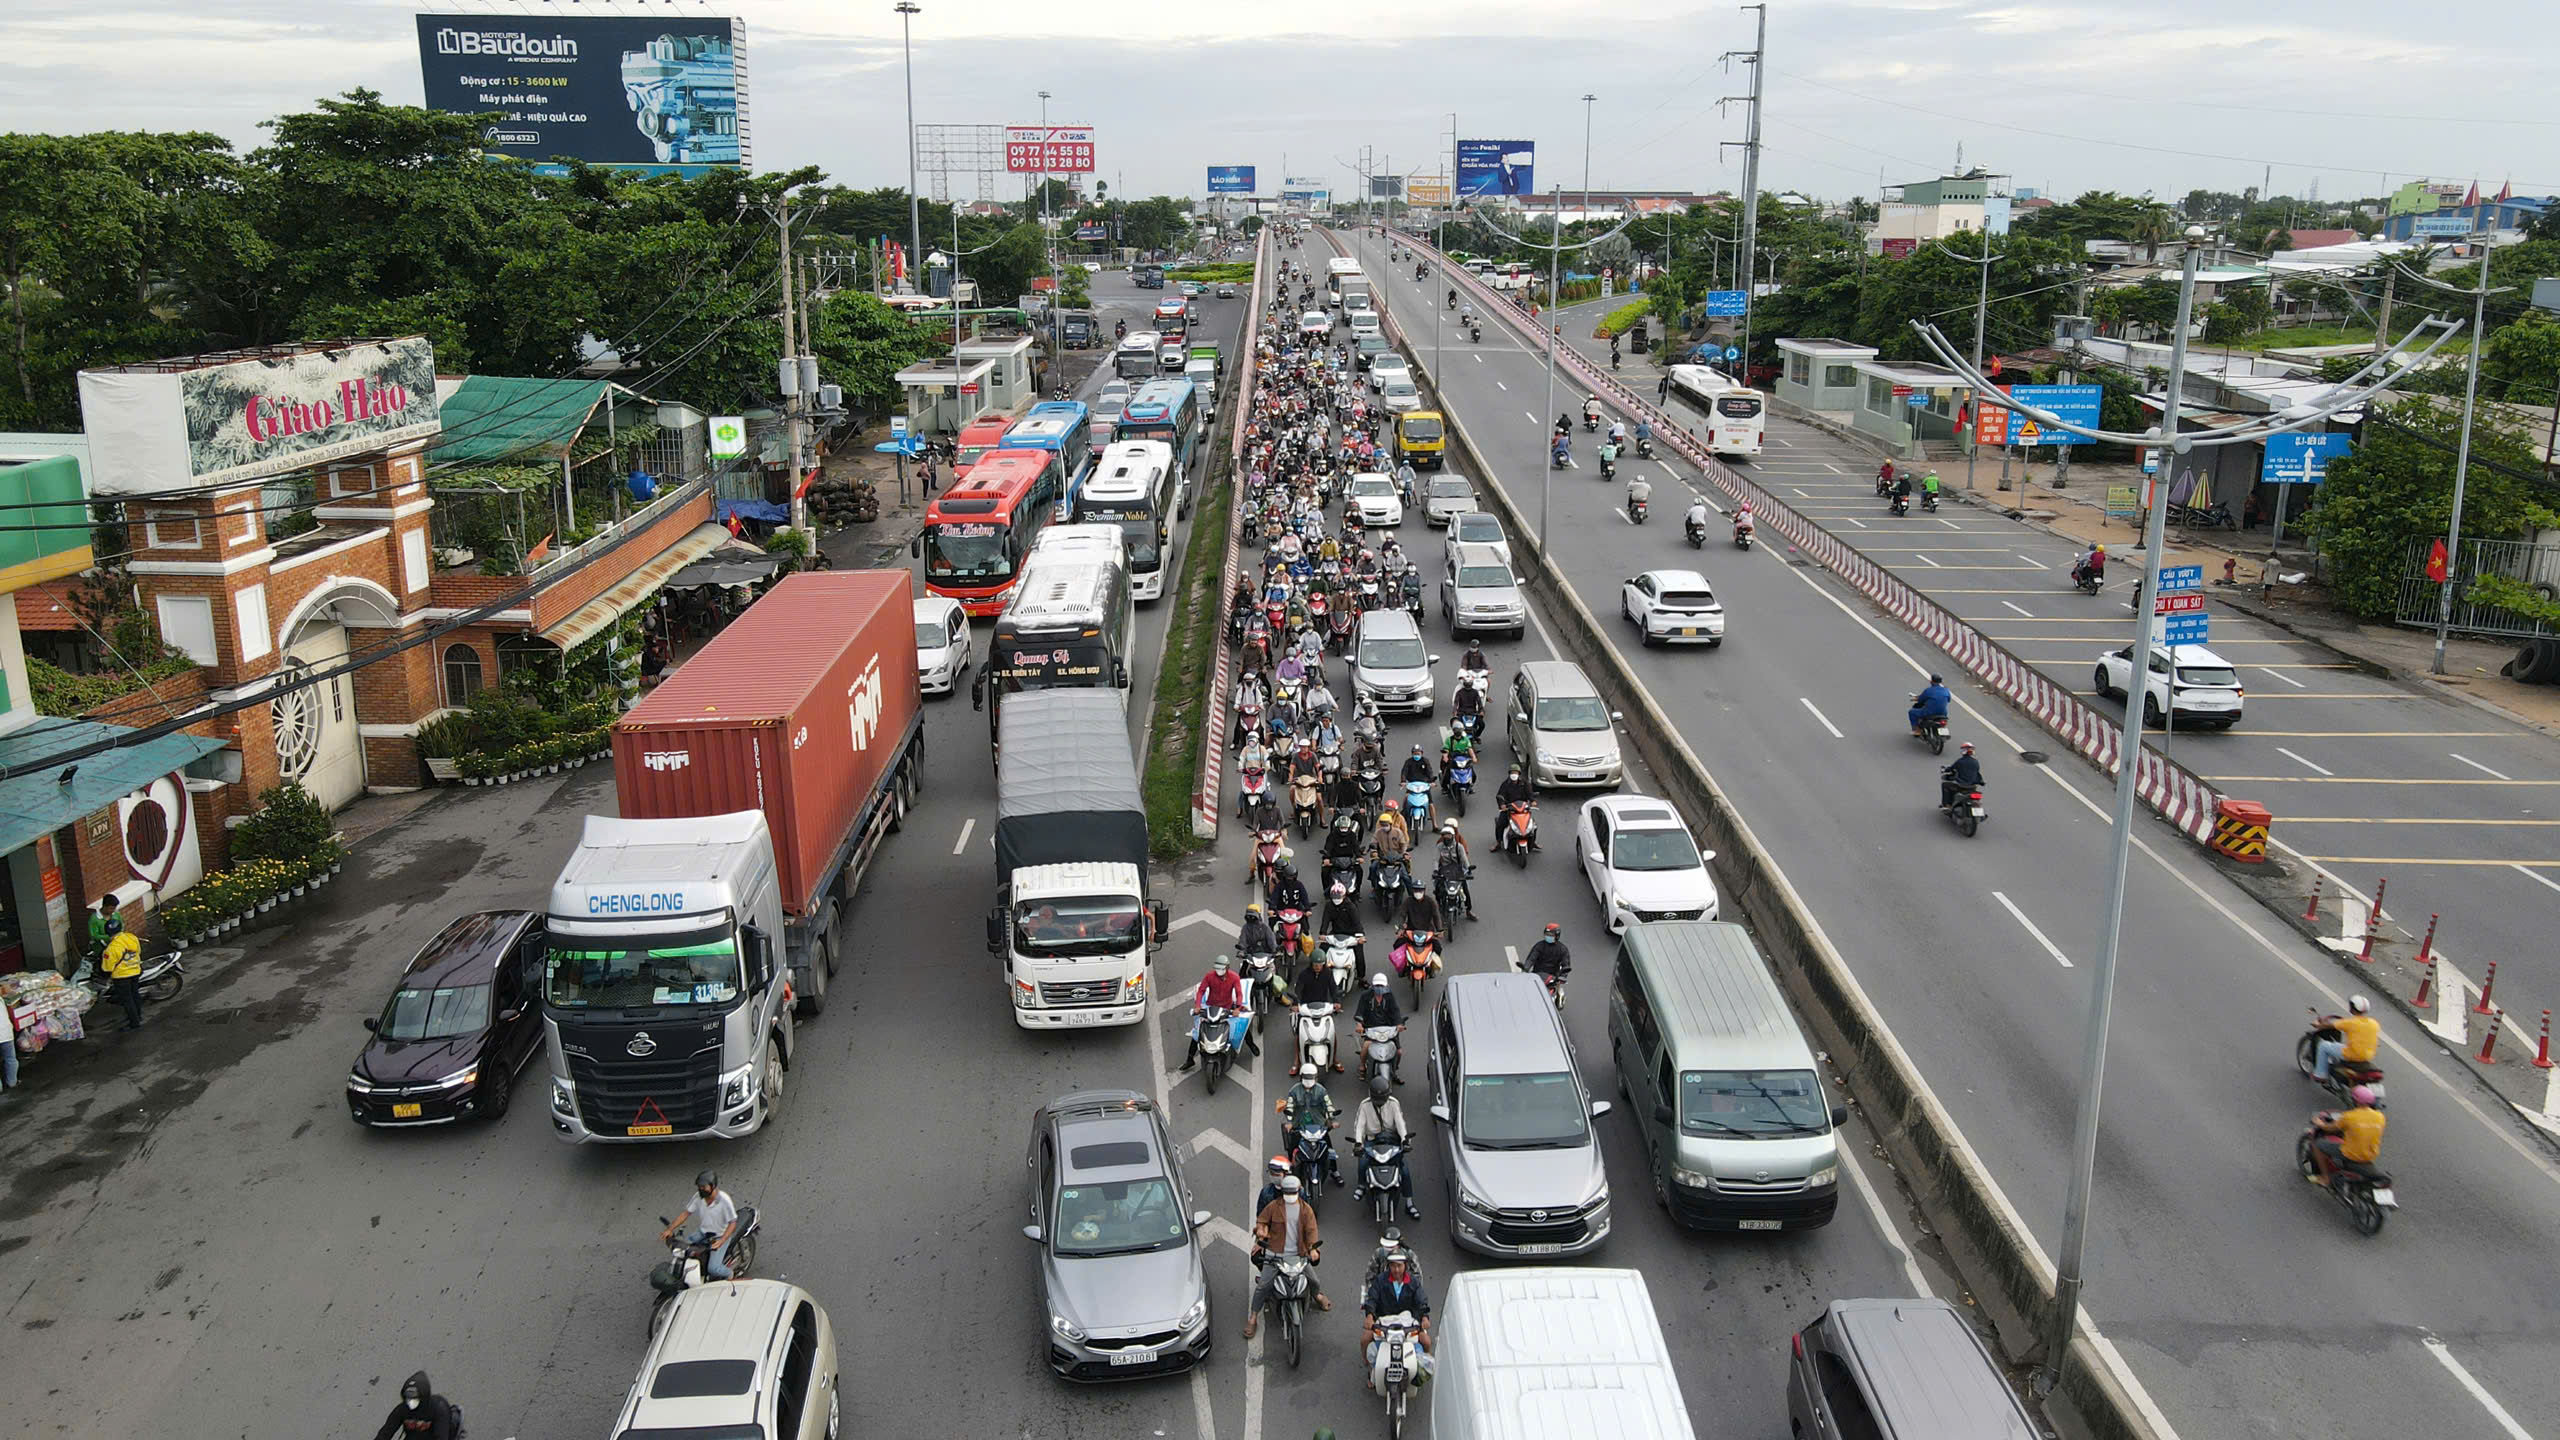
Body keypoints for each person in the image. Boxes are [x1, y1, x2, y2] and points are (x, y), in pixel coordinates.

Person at [1245, 1173, 1328, 1340]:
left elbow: (1311, 1231)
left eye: (1293, 1193)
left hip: (1299, 1255)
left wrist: (1312, 1249)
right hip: (1275, 1256)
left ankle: (1317, 1296)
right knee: (1262, 1286)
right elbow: (1262, 1221)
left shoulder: (1306, 1210)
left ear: (1299, 1191)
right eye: (1287, 1193)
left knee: (1315, 1281)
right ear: (1282, 1192)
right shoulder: (1273, 1207)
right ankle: (1253, 1318)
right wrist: (1261, 1232)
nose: (1290, 1196)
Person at [1361, 1249, 1434, 1392]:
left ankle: (1425, 1368)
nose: (1396, 1269)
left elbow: (1421, 1301)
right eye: (1393, 1266)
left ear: (1405, 1266)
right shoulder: (1380, 1280)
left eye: (1399, 1266)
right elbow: (1372, 1298)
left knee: (1426, 1341)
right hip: (1384, 1322)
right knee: (1364, 1339)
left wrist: (1424, 1317)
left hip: (1408, 1323)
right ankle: (1370, 1368)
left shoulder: (1413, 1282)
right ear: (1388, 1266)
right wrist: (1370, 1315)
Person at [1350, 1071, 1422, 1215]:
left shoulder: (1394, 1104)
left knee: (1404, 1169)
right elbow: (1359, 1126)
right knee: (1363, 1162)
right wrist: (1358, 1143)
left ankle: (1409, 1202)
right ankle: (1362, 1185)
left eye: (1382, 1098)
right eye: (1376, 1098)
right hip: (1372, 1141)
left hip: (1391, 1141)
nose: (1379, 1101)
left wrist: (1404, 1140)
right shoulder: (1364, 1105)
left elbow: (1400, 1124)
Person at [660, 1169, 743, 1280]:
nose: (701, 1189)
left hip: (719, 1236)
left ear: (712, 1186)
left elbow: (733, 1223)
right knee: (683, 1249)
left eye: (704, 1187)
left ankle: (729, 1274)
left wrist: (721, 1241)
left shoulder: (724, 1201)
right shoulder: (699, 1197)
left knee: (713, 1268)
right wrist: (670, 1229)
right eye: (699, 1187)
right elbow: (686, 1213)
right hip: (703, 1233)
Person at [1182, 956, 1259, 1069]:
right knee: (1197, 1032)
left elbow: (1239, 993)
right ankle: (1190, 1059)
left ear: (1227, 967)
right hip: (1211, 1007)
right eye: (1217, 969)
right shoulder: (1209, 976)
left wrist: (1237, 1008)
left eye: (1222, 969)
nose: (1219, 971)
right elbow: (1201, 991)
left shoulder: (1234, 977)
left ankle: (1251, 1045)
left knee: (1242, 1027)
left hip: (1227, 1008)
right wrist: (1198, 1006)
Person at [2310, 1086, 2387, 1185]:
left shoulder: (2349, 1117)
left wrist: (2319, 1123)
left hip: (2350, 1154)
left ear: (2355, 1101)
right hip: (2370, 1155)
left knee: (2318, 1145)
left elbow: (2330, 1128)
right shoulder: (2380, 1117)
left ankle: (2325, 1178)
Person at [1277, 1062, 1342, 1166]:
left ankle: (1334, 1171)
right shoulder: (1294, 1091)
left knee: (1329, 1149)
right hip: (1300, 1126)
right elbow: (1290, 1106)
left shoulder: (1321, 1091)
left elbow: (1328, 1105)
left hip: (1318, 1126)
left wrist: (1333, 1120)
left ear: (1316, 1078)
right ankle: (1290, 1166)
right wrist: (1289, 1122)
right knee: (1292, 1147)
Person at [2314, 995, 2382, 1086]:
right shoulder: (2374, 1023)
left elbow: (2329, 1026)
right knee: (2340, 1046)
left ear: (2352, 1008)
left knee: (2324, 1046)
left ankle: (2320, 1075)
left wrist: (2318, 1024)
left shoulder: (2350, 1022)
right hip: (2367, 1056)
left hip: (2352, 1054)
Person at [371, 1371, 461, 1440]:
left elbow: (441, 1437)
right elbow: (385, 1433)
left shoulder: (439, 1409)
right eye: (408, 1398)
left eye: (415, 1399)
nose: (410, 1402)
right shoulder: (402, 1410)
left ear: (423, 1397)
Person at [1353, 976, 1407, 1086]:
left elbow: (1396, 1012)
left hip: (1389, 1030)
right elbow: (1360, 1012)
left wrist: (1399, 1025)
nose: (1379, 988)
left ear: (1386, 986)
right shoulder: (1365, 996)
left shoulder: (1389, 996)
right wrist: (1359, 1024)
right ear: (1372, 986)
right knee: (1365, 1047)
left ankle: (1394, 1070)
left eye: (1381, 986)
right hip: (1372, 1029)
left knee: (1399, 1052)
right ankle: (1362, 1066)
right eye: (1377, 986)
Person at [101, 924, 144, 1031]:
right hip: (135, 971)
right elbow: (138, 951)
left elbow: (107, 967)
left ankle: (134, 1022)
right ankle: (138, 1015)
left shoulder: (111, 948)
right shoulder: (131, 937)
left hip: (122, 977)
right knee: (135, 994)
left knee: (127, 999)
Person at [1940, 741, 1984, 810]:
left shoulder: (1960, 761)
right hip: (1972, 786)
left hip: (1961, 786)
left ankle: (1946, 805)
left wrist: (1945, 770)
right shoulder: (1976, 762)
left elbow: (1951, 768)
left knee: (1945, 785)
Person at [1524, 923, 1572, 987]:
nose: (1548, 937)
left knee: (1559, 994)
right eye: (1547, 935)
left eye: (1551, 935)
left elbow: (1566, 965)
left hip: (1552, 979)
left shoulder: (1563, 949)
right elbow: (1531, 959)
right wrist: (1525, 968)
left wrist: (1563, 976)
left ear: (1557, 936)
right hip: (1537, 976)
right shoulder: (1539, 946)